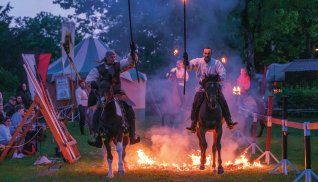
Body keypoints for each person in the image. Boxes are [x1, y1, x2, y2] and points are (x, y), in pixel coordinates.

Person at [85, 50, 140, 148]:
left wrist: (132, 54)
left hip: (117, 93)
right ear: (106, 57)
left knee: (130, 110)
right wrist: (93, 83)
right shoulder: (98, 69)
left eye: (114, 57)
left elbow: (130, 63)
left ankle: (132, 135)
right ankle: (97, 138)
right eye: (111, 57)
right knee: (97, 112)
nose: (113, 59)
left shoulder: (118, 65)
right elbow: (89, 79)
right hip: (105, 94)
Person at [185, 47, 237, 132]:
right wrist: (186, 62)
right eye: (205, 53)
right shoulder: (198, 61)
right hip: (201, 87)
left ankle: (229, 120)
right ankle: (193, 123)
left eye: (208, 53)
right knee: (195, 103)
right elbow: (189, 67)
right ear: (203, 53)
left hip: (213, 87)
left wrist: (219, 78)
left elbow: (222, 72)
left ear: (211, 54)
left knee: (223, 100)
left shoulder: (216, 63)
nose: (207, 55)